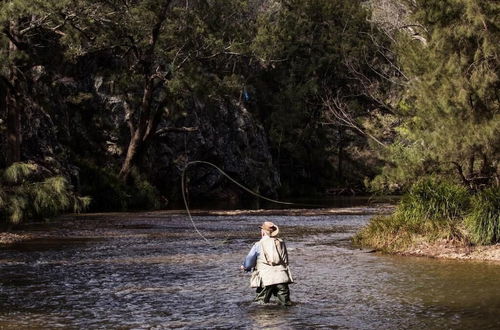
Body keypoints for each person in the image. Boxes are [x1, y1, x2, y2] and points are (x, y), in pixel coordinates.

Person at [241, 221, 293, 305]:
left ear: (263, 231)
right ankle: (285, 318)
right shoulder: (281, 242)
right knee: (285, 305)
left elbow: (249, 260)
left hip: (265, 279)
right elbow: (285, 260)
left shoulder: (258, 244)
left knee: (260, 306)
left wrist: (245, 267)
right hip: (282, 277)